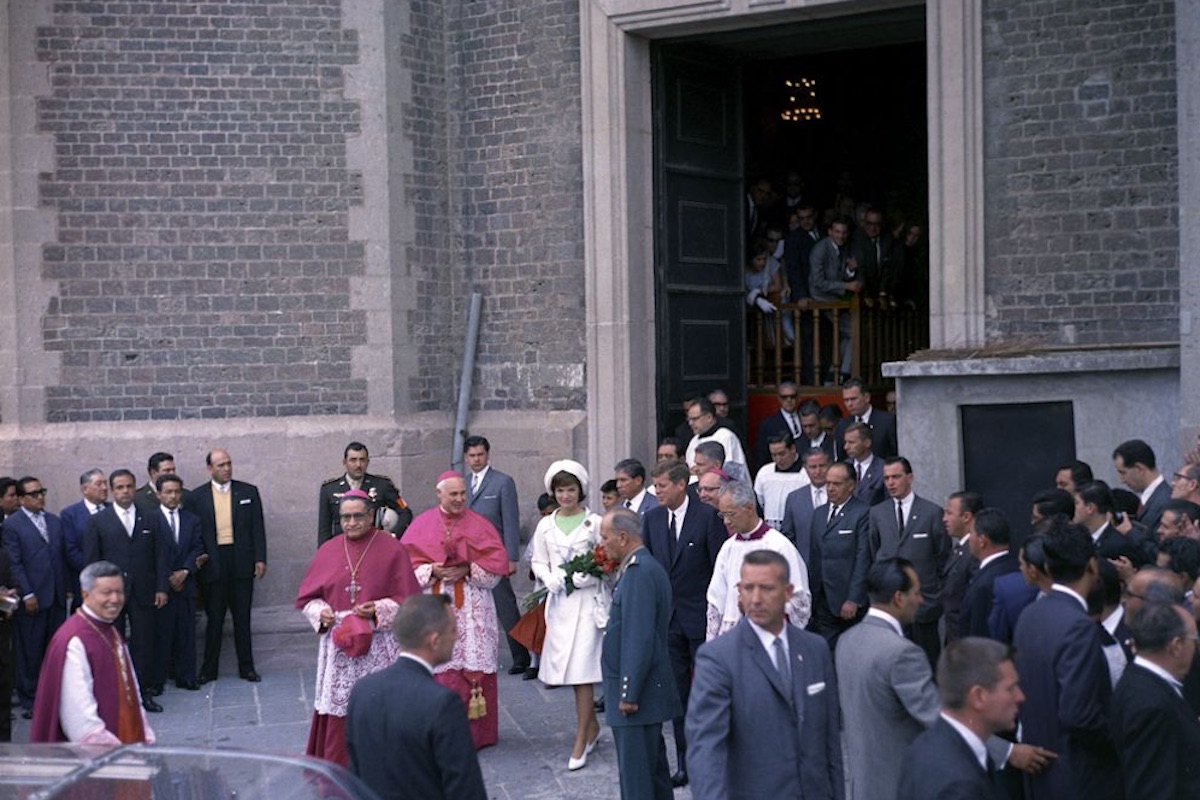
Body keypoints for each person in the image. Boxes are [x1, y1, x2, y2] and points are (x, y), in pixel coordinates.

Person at [838, 559, 1049, 800]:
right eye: (916, 593)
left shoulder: (847, 641)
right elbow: (940, 717)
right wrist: (1008, 752)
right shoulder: (901, 654)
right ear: (898, 597)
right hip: (899, 785)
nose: (921, 600)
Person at [687, 550, 844, 800]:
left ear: (788, 592)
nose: (756, 599)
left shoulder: (815, 649)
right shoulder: (718, 658)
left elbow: (829, 742)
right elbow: (705, 751)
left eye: (767, 588)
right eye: (748, 588)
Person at [296, 489, 421, 766]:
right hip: (338, 643)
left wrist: (379, 610)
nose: (351, 523)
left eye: (357, 516)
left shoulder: (391, 548)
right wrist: (321, 613)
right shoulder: (328, 550)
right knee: (340, 708)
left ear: (371, 515)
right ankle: (339, 766)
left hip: (379, 645)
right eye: (345, 517)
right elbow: (307, 599)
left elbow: (410, 600)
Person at [1013, 520, 1120, 800]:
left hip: (1040, 774)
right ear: (1092, 566)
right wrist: (1121, 741)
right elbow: (1079, 714)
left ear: (1047, 568)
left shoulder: (1029, 615)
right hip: (1079, 777)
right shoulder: (1079, 626)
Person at [403, 470, 508, 750]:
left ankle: (477, 736)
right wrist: (432, 570)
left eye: (463, 493)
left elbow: (494, 575)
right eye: (454, 494)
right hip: (437, 606)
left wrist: (468, 568)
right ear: (439, 494)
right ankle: (440, 735)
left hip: (473, 606)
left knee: (473, 663)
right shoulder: (422, 524)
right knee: (440, 666)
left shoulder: (481, 525)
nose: (460, 499)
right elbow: (406, 572)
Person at [346, 594, 488, 800]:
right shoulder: (443, 703)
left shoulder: (362, 690)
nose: (457, 636)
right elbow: (465, 788)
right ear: (434, 640)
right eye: (452, 630)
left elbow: (355, 773)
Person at [640, 459, 726, 787]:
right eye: (655, 485)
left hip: (702, 620)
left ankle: (715, 760)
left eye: (661, 486)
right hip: (669, 623)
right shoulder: (652, 519)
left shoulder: (707, 518)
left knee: (709, 694)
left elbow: (719, 568)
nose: (657, 491)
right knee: (678, 697)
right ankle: (686, 764)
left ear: (680, 484)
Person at [599, 508, 680, 799]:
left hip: (636, 696)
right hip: (641, 692)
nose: (602, 544)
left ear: (622, 537)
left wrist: (628, 692)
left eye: (605, 537)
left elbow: (639, 636)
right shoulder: (641, 567)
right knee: (653, 776)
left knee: (637, 783)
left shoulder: (639, 573)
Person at [529, 460, 605, 768]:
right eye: (560, 490)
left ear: (580, 491)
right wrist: (548, 578)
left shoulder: (595, 523)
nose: (565, 496)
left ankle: (580, 739)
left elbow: (607, 556)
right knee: (571, 673)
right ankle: (593, 729)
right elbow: (538, 559)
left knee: (583, 672)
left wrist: (592, 575)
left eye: (571, 489)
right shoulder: (546, 525)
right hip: (561, 604)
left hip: (587, 604)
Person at [30, 561, 156, 745]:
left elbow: (132, 691)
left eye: (119, 592)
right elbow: (81, 724)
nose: (115, 599)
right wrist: (121, 757)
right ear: (85, 595)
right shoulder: (74, 640)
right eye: (106, 593)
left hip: (128, 749)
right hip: (101, 761)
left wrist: (144, 735)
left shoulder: (111, 631)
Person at [897, 638, 1026, 800]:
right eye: (1010, 688)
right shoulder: (961, 787)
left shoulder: (923, 746)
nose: (1020, 696)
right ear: (979, 697)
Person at [184, 448, 268, 684]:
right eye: (220, 465)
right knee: (215, 619)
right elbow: (193, 532)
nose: (226, 468)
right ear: (210, 469)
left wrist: (260, 558)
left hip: (241, 560)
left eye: (229, 463)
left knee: (242, 618)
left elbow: (257, 529)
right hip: (213, 562)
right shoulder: (196, 497)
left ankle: (247, 667)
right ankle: (209, 670)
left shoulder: (248, 491)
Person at [1109, 601, 1200, 799]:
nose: (1196, 649)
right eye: (1195, 641)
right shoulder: (1151, 706)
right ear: (1176, 645)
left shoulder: (1140, 682)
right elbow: (1152, 791)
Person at [868, 456, 951, 667]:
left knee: (927, 663)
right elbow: (874, 551)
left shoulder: (931, 513)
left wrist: (935, 595)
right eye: (886, 478)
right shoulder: (877, 513)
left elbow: (943, 556)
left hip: (924, 605)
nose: (891, 483)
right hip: (891, 607)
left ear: (910, 477)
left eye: (896, 477)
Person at [707, 481, 810, 639]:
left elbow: (798, 600)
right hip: (731, 638)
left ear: (749, 508)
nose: (726, 521)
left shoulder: (779, 546)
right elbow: (716, 600)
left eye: (731, 514)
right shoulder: (728, 548)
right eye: (722, 515)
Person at [3, 476, 68, 719]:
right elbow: (15, 564)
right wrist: (27, 593)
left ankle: (54, 697)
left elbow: (61, 558)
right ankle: (30, 699)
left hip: (57, 597)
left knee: (55, 650)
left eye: (42, 491)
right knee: (30, 650)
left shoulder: (54, 521)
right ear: (21, 499)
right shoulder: (13, 525)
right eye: (33, 493)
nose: (40, 496)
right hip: (33, 597)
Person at [462, 435, 527, 676]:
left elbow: (511, 521)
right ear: (466, 458)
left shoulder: (502, 482)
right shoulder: (464, 483)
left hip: (495, 555)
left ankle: (520, 656)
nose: (476, 459)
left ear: (488, 455)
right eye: (472, 456)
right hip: (470, 556)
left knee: (506, 607)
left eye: (480, 455)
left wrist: (511, 557)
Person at [808, 461, 870, 647]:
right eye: (828, 483)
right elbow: (814, 556)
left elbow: (863, 558)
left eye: (837, 484)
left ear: (851, 485)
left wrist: (854, 598)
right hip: (822, 599)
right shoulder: (819, 513)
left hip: (847, 600)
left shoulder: (862, 513)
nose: (831, 488)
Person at [153, 473, 205, 692]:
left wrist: (185, 571)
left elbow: (197, 547)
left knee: (186, 633)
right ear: (159, 494)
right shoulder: (149, 519)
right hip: (162, 587)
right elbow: (151, 554)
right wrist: (168, 577)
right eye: (168, 492)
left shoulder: (192, 520)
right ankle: (158, 680)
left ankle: (187, 676)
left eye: (177, 492)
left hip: (186, 584)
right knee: (161, 634)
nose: (173, 496)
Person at [318, 441, 410, 545]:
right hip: (342, 549)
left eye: (362, 460)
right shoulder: (329, 489)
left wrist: (393, 535)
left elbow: (405, 512)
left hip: (374, 546)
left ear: (368, 462)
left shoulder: (382, 485)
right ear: (344, 463)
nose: (358, 465)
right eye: (353, 460)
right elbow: (324, 529)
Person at [958, 508, 1018, 639]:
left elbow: (979, 634)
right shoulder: (1016, 567)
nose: (969, 539)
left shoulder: (985, 584)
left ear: (982, 540)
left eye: (971, 533)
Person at [59, 469, 109, 608]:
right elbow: (71, 550)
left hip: (113, 579)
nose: (105, 488)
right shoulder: (70, 514)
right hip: (86, 581)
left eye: (105, 483)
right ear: (85, 489)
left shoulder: (113, 510)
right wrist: (95, 572)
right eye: (99, 484)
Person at [941, 490, 982, 644]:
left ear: (966, 517)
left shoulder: (974, 552)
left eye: (949, 513)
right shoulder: (959, 549)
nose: (944, 519)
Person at [780, 447, 831, 558]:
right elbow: (788, 536)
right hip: (804, 566)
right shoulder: (794, 498)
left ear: (830, 466)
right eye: (813, 467)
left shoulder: (842, 495)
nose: (818, 472)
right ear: (805, 469)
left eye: (822, 466)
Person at [753, 432, 810, 531]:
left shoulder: (806, 474)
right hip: (770, 531)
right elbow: (758, 502)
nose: (778, 459)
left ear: (793, 449)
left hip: (799, 529)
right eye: (774, 455)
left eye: (782, 454)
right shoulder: (765, 473)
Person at [1113, 439, 1171, 536]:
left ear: (1139, 469)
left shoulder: (1165, 501)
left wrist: (1130, 533)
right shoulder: (1154, 499)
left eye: (1123, 473)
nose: (1122, 480)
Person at [834, 377, 898, 460]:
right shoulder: (842, 425)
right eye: (846, 400)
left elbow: (895, 453)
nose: (849, 404)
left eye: (853, 399)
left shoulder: (887, 421)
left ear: (866, 397)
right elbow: (841, 457)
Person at [683, 398, 748, 476]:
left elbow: (732, 470)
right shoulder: (694, 440)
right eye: (689, 419)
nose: (690, 423)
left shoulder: (726, 437)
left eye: (694, 419)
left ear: (709, 417)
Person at [754, 381, 804, 468]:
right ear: (779, 399)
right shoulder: (768, 425)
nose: (789, 400)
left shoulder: (806, 419)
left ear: (798, 397)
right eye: (784, 397)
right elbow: (762, 456)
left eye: (792, 396)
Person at [842, 422, 884, 506]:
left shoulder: (883, 468)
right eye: (846, 442)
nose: (846, 447)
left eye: (851, 442)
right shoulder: (843, 467)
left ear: (867, 443)